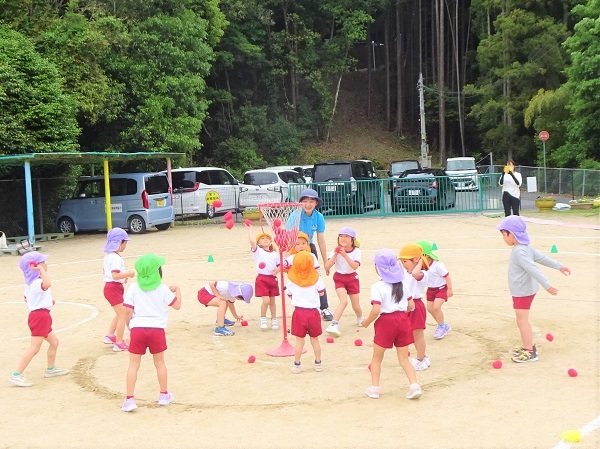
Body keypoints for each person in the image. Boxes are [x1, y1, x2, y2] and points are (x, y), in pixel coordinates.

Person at [496, 216, 571, 363]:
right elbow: (542, 258)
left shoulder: (519, 251)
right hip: (524, 290)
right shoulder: (525, 248)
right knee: (521, 320)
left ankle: (529, 351)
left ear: (512, 234)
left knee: (522, 321)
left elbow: (533, 269)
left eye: (504, 235)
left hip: (522, 291)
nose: (503, 238)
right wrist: (559, 266)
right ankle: (528, 347)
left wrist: (548, 286)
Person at [121, 254, 181, 412]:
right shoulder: (162, 288)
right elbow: (177, 306)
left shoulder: (134, 287)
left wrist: (129, 325)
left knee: (133, 364)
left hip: (138, 329)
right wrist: (178, 291)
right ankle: (164, 395)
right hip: (157, 330)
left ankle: (129, 399)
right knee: (159, 362)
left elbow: (127, 310)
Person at [362, 249, 421, 400]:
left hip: (386, 322)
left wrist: (367, 322)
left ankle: (374, 389)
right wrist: (401, 315)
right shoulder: (403, 284)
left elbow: (376, 309)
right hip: (403, 320)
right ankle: (414, 386)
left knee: (377, 357)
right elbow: (411, 305)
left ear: (378, 268)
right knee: (404, 359)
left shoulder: (377, 287)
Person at [9, 251, 69, 387]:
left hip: (42, 316)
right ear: (34, 266)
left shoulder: (29, 284)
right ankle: (16, 374)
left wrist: (45, 302)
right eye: (42, 263)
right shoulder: (37, 282)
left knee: (54, 342)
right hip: (40, 317)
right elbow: (47, 284)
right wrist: (41, 270)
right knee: (34, 348)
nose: (45, 265)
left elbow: (28, 298)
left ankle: (51, 369)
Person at [288, 188, 333, 320]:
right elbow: (289, 238)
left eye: (311, 201)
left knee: (317, 278)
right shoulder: (295, 216)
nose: (308, 204)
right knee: (296, 279)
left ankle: (324, 307)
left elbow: (321, 240)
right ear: (300, 203)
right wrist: (287, 257)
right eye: (305, 201)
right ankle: (300, 307)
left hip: (309, 248)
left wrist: (325, 262)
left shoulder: (319, 217)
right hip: (295, 248)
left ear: (316, 203)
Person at [285, 251, 326, 374]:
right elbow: (322, 293)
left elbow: (289, 294)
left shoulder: (291, 279)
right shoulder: (316, 278)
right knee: (315, 340)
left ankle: (297, 365)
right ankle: (318, 363)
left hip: (299, 313)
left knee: (299, 341)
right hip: (313, 313)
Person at [324, 227, 363, 337]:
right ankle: (334, 324)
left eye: (346, 236)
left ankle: (360, 317)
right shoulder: (335, 251)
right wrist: (335, 255)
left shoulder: (357, 251)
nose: (343, 239)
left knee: (356, 305)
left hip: (352, 278)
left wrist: (345, 255)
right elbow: (327, 266)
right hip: (339, 278)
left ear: (353, 239)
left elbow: (355, 266)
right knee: (344, 301)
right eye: (341, 236)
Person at [102, 227, 136, 352]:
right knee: (123, 314)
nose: (125, 245)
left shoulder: (109, 256)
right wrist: (128, 274)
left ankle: (110, 335)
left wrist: (123, 278)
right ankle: (119, 342)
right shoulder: (116, 258)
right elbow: (115, 275)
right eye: (125, 242)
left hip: (111, 287)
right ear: (120, 242)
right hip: (113, 288)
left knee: (120, 313)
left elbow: (112, 274)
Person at [398, 243, 430, 371]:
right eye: (402, 261)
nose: (403, 264)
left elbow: (416, 273)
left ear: (416, 259)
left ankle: (421, 359)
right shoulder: (405, 272)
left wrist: (421, 259)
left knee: (418, 335)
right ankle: (422, 357)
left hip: (416, 306)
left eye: (405, 261)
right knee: (412, 334)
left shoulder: (422, 273)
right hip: (407, 306)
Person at [414, 240, 453, 340]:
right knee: (430, 309)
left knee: (436, 307)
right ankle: (443, 324)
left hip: (441, 288)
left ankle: (441, 327)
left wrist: (449, 289)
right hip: (431, 290)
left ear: (426, 255)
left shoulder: (437, 265)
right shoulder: (421, 266)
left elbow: (447, 276)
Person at [245, 223, 280, 330]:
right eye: (262, 238)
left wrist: (277, 270)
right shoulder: (258, 251)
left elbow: (280, 265)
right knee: (266, 301)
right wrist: (250, 230)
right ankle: (263, 318)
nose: (265, 240)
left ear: (271, 241)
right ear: (258, 243)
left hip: (272, 279)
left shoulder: (275, 254)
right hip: (262, 279)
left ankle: (274, 319)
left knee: (272, 302)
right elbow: (252, 241)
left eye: (267, 238)